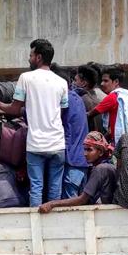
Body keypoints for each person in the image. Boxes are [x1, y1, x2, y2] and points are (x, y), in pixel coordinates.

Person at [0, 39, 69, 206]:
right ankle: (54, 226)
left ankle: (36, 228)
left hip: (36, 144)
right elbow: (61, 112)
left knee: (37, 187)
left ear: (38, 57)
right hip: (58, 143)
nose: (29, 58)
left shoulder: (26, 78)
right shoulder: (62, 82)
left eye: (31, 55)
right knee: (55, 188)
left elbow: (15, 109)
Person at [39, 132, 117, 213]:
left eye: (89, 150)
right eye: (84, 149)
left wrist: (52, 204)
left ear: (100, 152)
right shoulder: (109, 166)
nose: (85, 154)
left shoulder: (100, 169)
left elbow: (82, 199)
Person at [52, 63, 90, 199]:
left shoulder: (64, 100)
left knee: (70, 207)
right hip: (81, 161)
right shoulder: (77, 98)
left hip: (71, 161)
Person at [88, 64, 128, 145]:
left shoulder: (113, 96)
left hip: (120, 144)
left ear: (116, 81)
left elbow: (90, 114)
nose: (102, 84)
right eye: (102, 81)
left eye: (106, 81)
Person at [74, 63, 106, 132]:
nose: (74, 83)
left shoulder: (81, 100)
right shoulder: (98, 99)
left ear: (84, 83)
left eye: (76, 80)